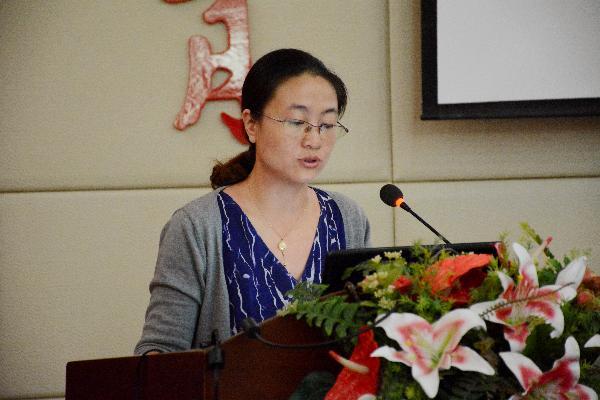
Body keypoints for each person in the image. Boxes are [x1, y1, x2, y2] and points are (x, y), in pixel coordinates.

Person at [134, 48, 370, 355]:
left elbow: (364, 335)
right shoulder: (197, 225)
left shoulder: (347, 217)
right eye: (296, 122)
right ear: (251, 125)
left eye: (326, 125)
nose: (314, 140)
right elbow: (158, 353)